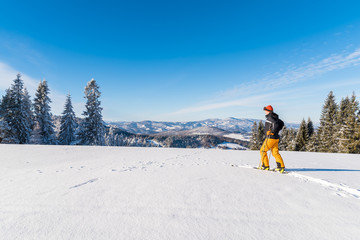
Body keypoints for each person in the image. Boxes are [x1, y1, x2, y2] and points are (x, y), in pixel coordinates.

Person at [259, 105, 285, 173]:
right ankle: (280, 167)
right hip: (276, 138)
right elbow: (281, 123)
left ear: (268, 111)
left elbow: (276, 124)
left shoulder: (270, 117)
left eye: (265, 110)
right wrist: (277, 131)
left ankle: (265, 166)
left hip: (270, 138)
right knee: (275, 152)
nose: (264, 111)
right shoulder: (275, 117)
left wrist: (272, 132)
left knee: (262, 151)